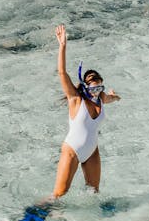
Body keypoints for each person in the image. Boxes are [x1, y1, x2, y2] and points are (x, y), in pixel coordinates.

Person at [51, 24, 120, 198]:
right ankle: (39, 211)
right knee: (60, 194)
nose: (97, 93)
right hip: (72, 150)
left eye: (100, 88)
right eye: (93, 90)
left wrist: (115, 97)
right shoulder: (76, 100)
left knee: (94, 192)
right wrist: (63, 46)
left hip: (92, 151)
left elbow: (110, 99)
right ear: (86, 88)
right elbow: (61, 72)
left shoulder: (101, 98)